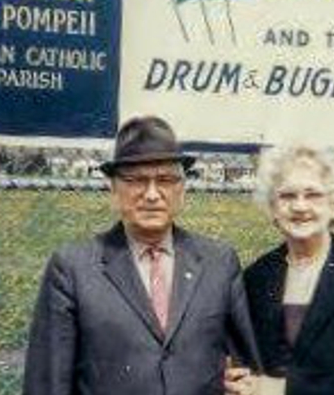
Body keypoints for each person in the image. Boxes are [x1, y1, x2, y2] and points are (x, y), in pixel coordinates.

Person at [23, 115, 260, 395]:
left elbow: (247, 372)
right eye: (136, 180)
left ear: (181, 189)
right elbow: (47, 384)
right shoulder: (73, 269)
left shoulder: (219, 262)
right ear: (113, 189)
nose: (151, 194)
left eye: (165, 179)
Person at [225, 144, 334, 395]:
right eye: (287, 196)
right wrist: (232, 378)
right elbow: (239, 359)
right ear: (272, 208)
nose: (299, 206)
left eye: (313, 195)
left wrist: (285, 389)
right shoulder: (257, 278)